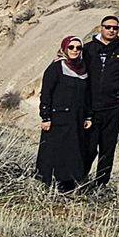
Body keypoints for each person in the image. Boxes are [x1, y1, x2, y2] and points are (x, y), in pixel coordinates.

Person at [79, 14, 119, 188]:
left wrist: (116, 93)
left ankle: (101, 184)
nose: (111, 30)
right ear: (100, 28)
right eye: (108, 27)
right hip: (90, 108)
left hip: (112, 107)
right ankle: (80, 179)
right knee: (88, 146)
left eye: (115, 28)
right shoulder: (88, 49)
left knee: (107, 148)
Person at [36, 36, 92, 191]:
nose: (74, 50)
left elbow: (87, 95)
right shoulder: (56, 68)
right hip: (57, 118)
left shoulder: (83, 69)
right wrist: (45, 117)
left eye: (78, 48)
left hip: (77, 119)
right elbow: (46, 93)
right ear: (64, 48)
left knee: (73, 151)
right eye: (71, 47)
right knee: (54, 150)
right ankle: (46, 183)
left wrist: (88, 116)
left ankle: (67, 185)